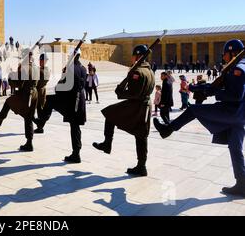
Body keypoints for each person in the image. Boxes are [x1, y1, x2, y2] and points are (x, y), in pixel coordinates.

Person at [154, 39, 245, 197]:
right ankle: (242, 183)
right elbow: (217, 86)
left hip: (232, 112)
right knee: (235, 147)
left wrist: (215, 93)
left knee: (194, 110)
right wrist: (198, 88)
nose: (223, 57)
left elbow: (236, 95)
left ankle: (168, 129)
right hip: (240, 115)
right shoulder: (235, 66)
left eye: (225, 54)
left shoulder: (239, 68)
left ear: (233, 52)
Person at [92, 45, 155, 176]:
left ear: (137, 56)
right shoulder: (150, 71)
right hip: (146, 105)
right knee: (141, 136)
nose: (132, 58)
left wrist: (120, 92)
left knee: (109, 114)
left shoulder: (137, 72)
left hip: (136, 106)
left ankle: (107, 143)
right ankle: (141, 166)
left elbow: (133, 93)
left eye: (133, 56)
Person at [34, 49, 87, 163]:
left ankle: (41, 121)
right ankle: (76, 153)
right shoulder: (83, 69)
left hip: (71, 102)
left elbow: (59, 89)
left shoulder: (70, 69)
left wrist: (63, 75)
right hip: (80, 100)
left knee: (49, 101)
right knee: (75, 127)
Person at [0, 50, 40, 151]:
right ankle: (29, 141)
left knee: (8, 102)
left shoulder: (24, 68)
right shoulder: (35, 67)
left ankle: (0, 120)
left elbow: (19, 83)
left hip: (26, 95)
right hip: (34, 94)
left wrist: (11, 78)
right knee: (28, 117)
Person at [34, 53, 51, 134]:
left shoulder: (46, 70)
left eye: (42, 60)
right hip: (39, 91)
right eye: (40, 60)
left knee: (41, 109)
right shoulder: (40, 69)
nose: (40, 62)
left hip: (41, 91)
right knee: (39, 109)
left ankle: (40, 126)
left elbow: (40, 77)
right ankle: (39, 127)